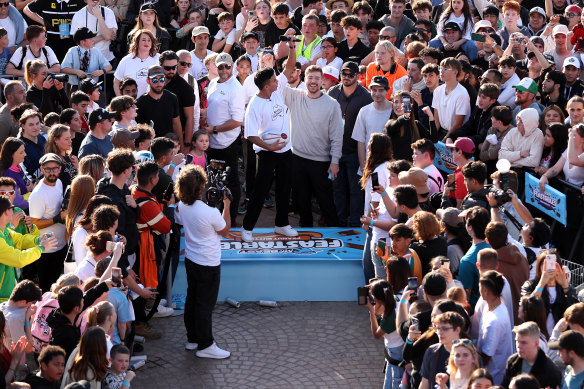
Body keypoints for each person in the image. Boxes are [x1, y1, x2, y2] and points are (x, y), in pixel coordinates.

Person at [281, 40, 342, 228]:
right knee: (302, 202)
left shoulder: (332, 104)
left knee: (326, 203)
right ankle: (305, 234)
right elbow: (279, 82)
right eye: (310, 78)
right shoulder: (294, 96)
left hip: (322, 161)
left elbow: (336, 135)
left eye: (317, 78)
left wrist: (334, 161)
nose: (313, 82)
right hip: (297, 158)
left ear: (322, 80)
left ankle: (334, 236)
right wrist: (291, 49)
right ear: (303, 79)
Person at [175, 165, 231, 359]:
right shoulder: (210, 212)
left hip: (192, 260)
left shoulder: (181, 206)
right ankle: (206, 344)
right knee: (204, 305)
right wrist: (227, 205)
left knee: (193, 300)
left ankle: (192, 339)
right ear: (200, 188)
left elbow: (179, 220)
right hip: (208, 263)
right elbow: (225, 230)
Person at [239, 68, 297, 242]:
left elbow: (290, 66)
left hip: (285, 151)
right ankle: (247, 227)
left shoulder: (277, 91)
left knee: (284, 189)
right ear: (266, 86)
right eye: (273, 80)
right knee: (260, 191)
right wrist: (269, 147)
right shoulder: (254, 106)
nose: (277, 82)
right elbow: (250, 135)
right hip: (266, 153)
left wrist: (291, 45)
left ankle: (282, 224)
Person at [328, 61, 372, 227]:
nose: (346, 77)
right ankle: (339, 222)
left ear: (358, 76)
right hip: (335, 151)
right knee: (337, 189)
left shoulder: (365, 96)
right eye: (343, 74)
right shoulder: (332, 92)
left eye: (350, 75)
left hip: (355, 151)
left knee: (356, 191)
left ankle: (354, 224)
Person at [204, 53, 245, 223]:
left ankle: (231, 218)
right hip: (212, 143)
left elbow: (237, 121)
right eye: (220, 66)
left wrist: (214, 129)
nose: (224, 70)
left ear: (233, 67)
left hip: (228, 144)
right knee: (213, 181)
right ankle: (215, 217)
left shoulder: (236, 88)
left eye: (227, 66)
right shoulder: (213, 83)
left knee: (231, 182)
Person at [28, 153, 68, 292]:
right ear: (42, 169)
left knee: (59, 287)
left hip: (61, 244)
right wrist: (58, 218)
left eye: (55, 168)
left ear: (60, 169)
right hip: (46, 250)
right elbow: (34, 223)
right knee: (46, 289)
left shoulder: (59, 183)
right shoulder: (38, 194)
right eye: (48, 169)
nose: (52, 172)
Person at [522, 250, 578, 336]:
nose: (550, 267)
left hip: (560, 338)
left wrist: (565, 286)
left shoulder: (567, 287)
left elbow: (575, 314)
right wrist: (541, 284)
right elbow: (526, 308)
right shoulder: (530, 286)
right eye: (544, 265)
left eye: (554, 264)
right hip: (537, 336)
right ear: (539, 267)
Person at [475, 270, 513, 385]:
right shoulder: (495, 305)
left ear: (485, 290)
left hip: (493, 379)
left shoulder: (495, 321)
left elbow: (486, 355)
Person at [364, 279, 404, 389]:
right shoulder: (393, 298)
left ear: (377, 298)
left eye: (373, 296)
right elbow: (379, 311)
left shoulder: (391, 317)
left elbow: (376, 335)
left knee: (394, 383)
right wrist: (375, 288)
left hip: (396, 352)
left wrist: (371, 312)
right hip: (394, 349)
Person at [352, 75, 393, 176]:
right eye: (374, 90)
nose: (377, 93)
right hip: (370, 167)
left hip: (390, 168)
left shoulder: (394, 110)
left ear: (387, 90)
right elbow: (360, 142)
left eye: (381, 90)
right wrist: (363, 168)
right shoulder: (364, 111)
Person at [501, 321, 563, 388]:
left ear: (536, 343)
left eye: (523, 343)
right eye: (517, 341)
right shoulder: (512, 361)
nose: (518, 346)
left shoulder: (551, 371)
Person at [419, 311, 467, 389]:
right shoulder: (431, 351)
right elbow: (425, 382)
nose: (440, 332)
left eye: (445, 329)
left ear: (457, 330)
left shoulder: (471, 354)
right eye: (438, 328)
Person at [135, 65, 182, 142]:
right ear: (148, 81)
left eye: (162, 79)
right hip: (151, 147)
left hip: (169, 145)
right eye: (155, 80)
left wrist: (181, 145)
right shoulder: (140, 103)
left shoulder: (172, 98)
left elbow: (176, 124)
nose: (159, 83)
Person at [160, 51, 195, 148]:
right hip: (158, 134)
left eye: (174, 67)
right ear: (161, 66)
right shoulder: (156, 83)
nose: (171, 70)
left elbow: (190, 117)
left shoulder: (185, 88)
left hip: (176, 139)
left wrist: (186, 144)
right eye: (167, 68)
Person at [457, 206, 490, 308]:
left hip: (475, 314)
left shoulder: (467, 261)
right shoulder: (497, 245)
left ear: (470, 227)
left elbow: (464, 297)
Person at [114, 29, 160, 97]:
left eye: (149, 40)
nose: (146, 43)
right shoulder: (126, 60)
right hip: (131, 104)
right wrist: (121, 100)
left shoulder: (159, 58)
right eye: (143, 40)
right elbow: (116, 82)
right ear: (137, 42)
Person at [433, 58, 471, 141]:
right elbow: (436, 120)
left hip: (455, 135)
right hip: (441, 133)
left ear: (455, 72)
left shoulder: (462, 93)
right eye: (440, 68)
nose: (441, 71)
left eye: (446, 69)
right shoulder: (437, 90)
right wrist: (433, 137)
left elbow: (458, 124)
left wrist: (444, 140)